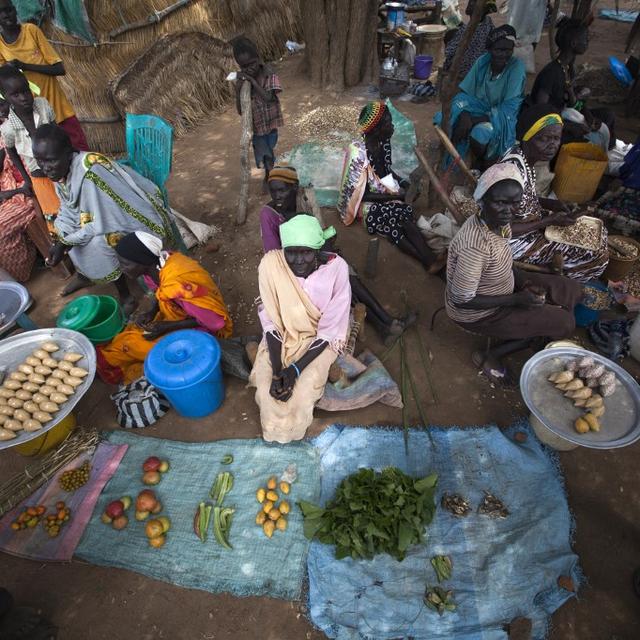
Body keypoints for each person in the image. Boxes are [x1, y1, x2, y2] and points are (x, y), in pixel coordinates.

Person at [446, 162, 582, 384]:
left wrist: (522, 284)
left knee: (571, 289)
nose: (509, 210)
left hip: (503, 287)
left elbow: (508, 250)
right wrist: (517, 299)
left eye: (514, 203)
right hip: (479, 314)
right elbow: (462, 300)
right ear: (482, 201)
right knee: (565, 323)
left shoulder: (498, 223)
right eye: (500, 202)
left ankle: (540, 325)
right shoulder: (474, 247)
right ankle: (492, 354)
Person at [262, 163, 416, 343]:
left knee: (348, 275)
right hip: (293, 269)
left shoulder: (304, 197)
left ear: (295, 187)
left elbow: (321, 231)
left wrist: (327, 255)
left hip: (313, 257)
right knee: (341, 279)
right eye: (273, 191)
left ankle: (385, 323)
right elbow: (274, 257)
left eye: (282, 191)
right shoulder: (269, 215)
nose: (277, 196)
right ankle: (385, 323)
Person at [31, 124, 174, 307]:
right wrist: (59, 240)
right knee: (62, 229)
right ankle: (86, 274)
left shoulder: (91, 173)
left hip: (135, 217)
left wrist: (66, 243)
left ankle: (126, 296)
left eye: (50, 160)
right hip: (100, 216)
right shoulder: (62, 171)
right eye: (40, 161)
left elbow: (101, 223)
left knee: (99, 242)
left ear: (68, 152)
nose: (45, 168)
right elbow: (69, 208)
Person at [249, 215, 351, 443]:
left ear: (317, 250)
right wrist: (278, 370)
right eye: (291, 252)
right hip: (283, 336)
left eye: (305, 252)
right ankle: (276, 430)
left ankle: (290, 432)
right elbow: (271, 321)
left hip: (319, 340)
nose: (297, 260)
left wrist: (294, 370)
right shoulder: (271, 265)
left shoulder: (337, 269)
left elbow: (330, 329)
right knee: (267, 391)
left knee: (304, 390)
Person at [96, 231, 233, 385]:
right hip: (181, 316)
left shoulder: (179, 285)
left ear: (141, 261)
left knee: (131, 344)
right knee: (134, 331)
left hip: (205, 333)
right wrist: (152, 311)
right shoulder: (159, 266)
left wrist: (168, 327)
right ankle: (112, 363)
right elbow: (159, 292)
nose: (123, 268)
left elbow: (214, 322)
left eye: (126, 263)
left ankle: (109, 367)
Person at [501, 104, 609, 282]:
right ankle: (558, 286)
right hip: (512, 243)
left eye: (556, 138)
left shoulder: (524, 159)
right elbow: (502, 231)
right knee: (597, 257)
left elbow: (523, 200)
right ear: (527, 137)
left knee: (599, 234)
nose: (552, 145)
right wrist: (548, 220)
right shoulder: (511, 175)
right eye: (544, 139)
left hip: (530, 223)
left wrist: (550, 204)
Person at [338, 101, 442, 273]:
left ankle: (428, 261)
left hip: (381, 192)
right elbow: (361, 196)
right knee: (398, 214)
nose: (392, 126)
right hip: (361, 204)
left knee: (400, 219)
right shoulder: (358, 155)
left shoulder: (383, 144)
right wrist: (396, 197)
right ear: (377, 128)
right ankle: (429, 259)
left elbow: (385, 171)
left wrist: (403, 184)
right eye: (388, 123)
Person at [0, 0, 88, 150]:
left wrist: (24, 66)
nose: (5, 15)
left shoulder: (31, 31)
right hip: (36, 119)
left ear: (15, 10)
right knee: (54, 160)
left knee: (80, 153)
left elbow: (59, 69)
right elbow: (5, 85)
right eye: (0, 13)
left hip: (59, 109)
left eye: (8, 10)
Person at [437, 25, 526, 168]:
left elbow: (508, 108)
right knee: (447, 115)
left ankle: (481, 164)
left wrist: (473, 120)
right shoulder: (482, 62)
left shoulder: (516, 67)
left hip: (502, 115)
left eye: (508, 50)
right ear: (490, 49)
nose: (503, 55)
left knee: (481, 133)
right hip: (480, 106)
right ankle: (452, 149)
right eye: (498, 50)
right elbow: (465, 94)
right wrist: (465, 114)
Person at [529, 18, 615, 149]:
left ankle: (606, 155)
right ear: (574, 43)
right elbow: (540, 112)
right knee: (582, 140)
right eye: (585, 38)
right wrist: (568, 126)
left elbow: (573, 102)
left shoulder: (568, 68)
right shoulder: (551, 73)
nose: (587, 42)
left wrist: (589, 116)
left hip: (564, 115)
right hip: (549, 124)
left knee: (607, 115)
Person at [0, 65, 59, 234]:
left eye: (26, 91)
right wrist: (27, 180)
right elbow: (12, 153)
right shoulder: (8, 129)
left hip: (61, 168)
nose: (24, 97)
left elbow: (57, 132)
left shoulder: (43, 105)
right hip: (39, 178)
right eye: (16, 94)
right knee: (54, 216)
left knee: (77, 208)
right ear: (6, 97)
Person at [232, 36, 283, 190]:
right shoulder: (244, 83)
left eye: (252, 63)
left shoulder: (269, 73)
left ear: (258, 58)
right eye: (244, 67)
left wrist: (253, 82)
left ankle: (270, 173)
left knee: (270, 147)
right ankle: (270, 175)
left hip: (271, 122)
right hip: (257, 127)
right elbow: (241, 111)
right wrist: (238, 89)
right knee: (265, 153)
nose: (249, 69)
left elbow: (269, 98)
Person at [0, 96, 36, 281]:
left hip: (29, 193)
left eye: (2, 105)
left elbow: (33, 180)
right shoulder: (3, 135)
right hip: (12, 192)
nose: (1, 112)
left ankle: (21, 273)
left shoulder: (23, 129)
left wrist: (13, 192)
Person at [443, 0, 497, 81]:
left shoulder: (472, 30)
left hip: (463, 75)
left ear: (485, 9)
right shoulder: (487, 25)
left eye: (473, 1)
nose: (469, 3)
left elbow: (449, 52)